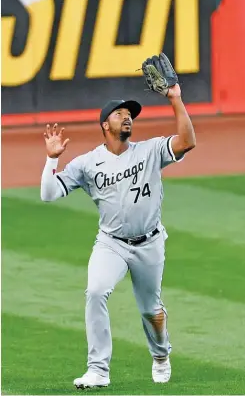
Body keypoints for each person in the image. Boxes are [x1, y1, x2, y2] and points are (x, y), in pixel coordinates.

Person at [40, 53, 196, 389]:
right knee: (95, 291)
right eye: (119, 114)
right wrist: (51, 161)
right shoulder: (87, 163)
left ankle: (160, 354)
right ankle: (98, 369)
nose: (127, 118)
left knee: (151, 311)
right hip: (111, 243)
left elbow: (187, 141)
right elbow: (50, 194)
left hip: (150, 243)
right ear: (104, 125)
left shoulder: (150, 150)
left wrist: (176, 100)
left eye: (130, 115)